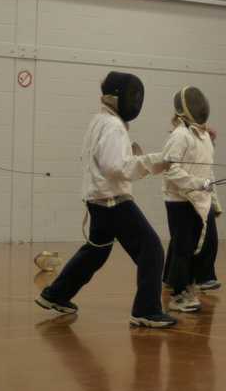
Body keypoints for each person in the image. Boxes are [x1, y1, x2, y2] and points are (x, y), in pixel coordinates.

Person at [36, 72, 177, 328]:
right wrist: (157, 161)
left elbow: (112, 161)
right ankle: (146, 310)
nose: (136, 102)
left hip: (99, 199)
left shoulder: (100, 120)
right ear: (117, 98)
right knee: (151, 248)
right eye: (133, 96)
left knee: (96, 252)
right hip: (113, 201)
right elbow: (116, 167)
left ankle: (55, 294)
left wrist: (138, 157)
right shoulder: (112, 125)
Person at [161, 86, 220, 313]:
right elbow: (170, 170)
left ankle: (194, 282)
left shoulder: (204, 135)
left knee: (207, 243)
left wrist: (214, 200)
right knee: (183, 248)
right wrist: (196, 183)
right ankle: (178, 295)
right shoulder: (179, 135)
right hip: (180, 201)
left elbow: (207, 170)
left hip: (201, 198)